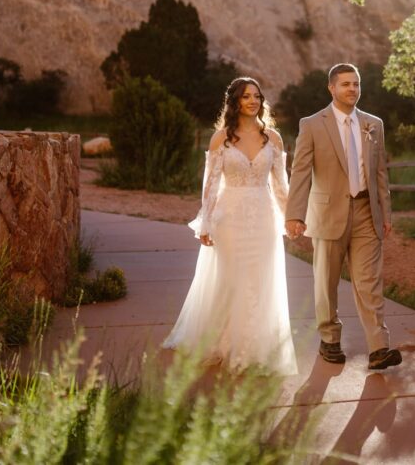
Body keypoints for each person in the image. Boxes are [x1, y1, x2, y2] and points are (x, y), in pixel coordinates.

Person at [162, 77, 297, 376]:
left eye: (257, 96)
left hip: (263, 220)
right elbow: (209, 186)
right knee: (232, 279)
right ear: (234, 102)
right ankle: (224, 344)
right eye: (246, 96)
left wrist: (291, 219)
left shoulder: (273, 138)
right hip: (230, 220)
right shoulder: (220, 139)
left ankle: (256, 347)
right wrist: (206, 222)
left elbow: (280, 185)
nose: (253, 101)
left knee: (260, 281)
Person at [285, 63, 402, 371]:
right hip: (326, 212)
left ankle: (379, 347)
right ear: (331, 88)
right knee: (326, 281)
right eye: (346, 84)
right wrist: (295, 214)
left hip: (366, 211)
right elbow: (300, 173)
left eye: (356, 84)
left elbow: (380, 174)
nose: (352, 89)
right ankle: (330, 340)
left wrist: (385, 214)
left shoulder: (373, 124)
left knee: (369, 282)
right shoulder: (312, 124)